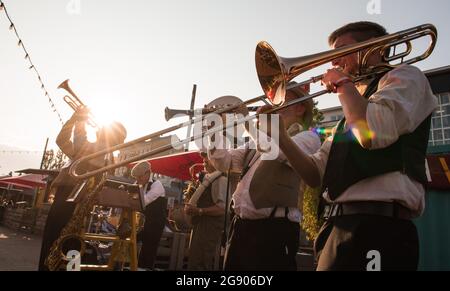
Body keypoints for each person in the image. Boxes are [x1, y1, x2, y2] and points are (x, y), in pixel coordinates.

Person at [274, 21, 438, 271]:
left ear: (375, 48)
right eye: (331, 55)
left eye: (341, 51)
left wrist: (343, 85)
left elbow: (371, 133)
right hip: (337, 227)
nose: (333, 61)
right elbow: (313, 173)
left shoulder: (406, 76)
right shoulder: (348, 116)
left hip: (379, 227)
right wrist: (278, 136)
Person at [208, 85, 321, 271]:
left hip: (274, 230)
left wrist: (247, 122)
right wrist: (213, 128)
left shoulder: (308, 137)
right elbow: (224, 162)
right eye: (274, 102)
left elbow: (276, 152)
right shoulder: (257, 139)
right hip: (240, 227)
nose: (275, 106)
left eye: (283, 102)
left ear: (300, 108)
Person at [38, 107, 127, 271]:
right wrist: (76, 119)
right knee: (59, 244)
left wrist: (79, 119)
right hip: (70, 200)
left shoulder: (102, 155)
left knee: (64, 246)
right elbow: (63, 139)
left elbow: (77, 139)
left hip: (76, 205)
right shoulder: (95, 151)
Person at [184, 153, 228, 270]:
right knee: (194, 260)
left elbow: (222, 209)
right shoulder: (210, 178)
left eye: (207, 158)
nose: (204, 161)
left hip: (208, 226)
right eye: (204, 158)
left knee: (201, 262)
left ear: (218, 161)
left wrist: (198, 210)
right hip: (200, 224)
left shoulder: (221, 179)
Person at [131, 161, 167, 270]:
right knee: (129, 242)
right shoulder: (138, 183)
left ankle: (144, 268)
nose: (138, 180)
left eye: (140, 177)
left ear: (148, 173)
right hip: (143, 222)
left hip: (155, 223)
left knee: (149, 249)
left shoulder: (157, 185)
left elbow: (144, 201)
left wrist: (134, 192)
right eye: (136, 177)